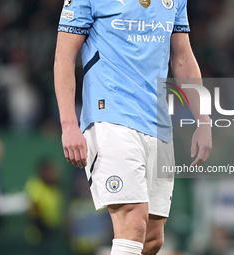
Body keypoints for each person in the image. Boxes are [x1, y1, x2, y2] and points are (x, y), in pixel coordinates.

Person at [54, 0, 212, 254]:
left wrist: (203, 119)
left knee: (152, 238)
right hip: (110, 115)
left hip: (158, 123)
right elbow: (64, 57)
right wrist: (69, 123)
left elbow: (182, 56)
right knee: (132, 221)